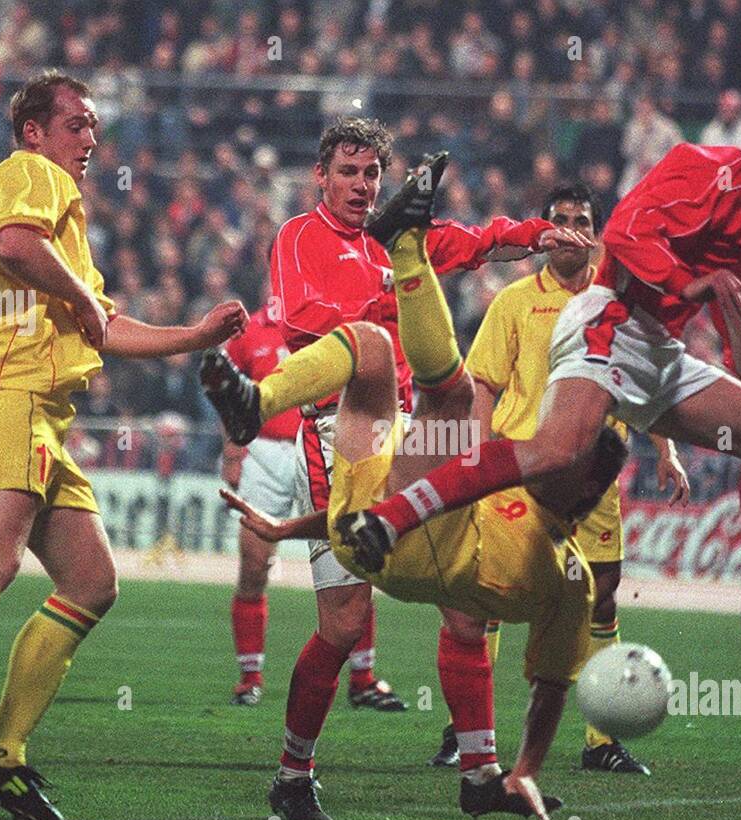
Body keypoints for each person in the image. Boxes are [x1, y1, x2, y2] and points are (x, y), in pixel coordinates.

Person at [335, 95, 741, 642]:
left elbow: (733, 298)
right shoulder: (706, 167)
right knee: (555, 452)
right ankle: (389, 519)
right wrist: (688, 286)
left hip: (660, 349)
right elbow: (626, 234)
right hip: (609, 321)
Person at [0, 71, 247, 820]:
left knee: (91, 580)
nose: (91, 140)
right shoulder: (30, 177)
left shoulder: (69, 225)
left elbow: (103, 327)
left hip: (42, 411)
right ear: (34, 130)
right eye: (78, 125)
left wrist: (195, 335)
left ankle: (4, 753)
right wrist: (82, 297)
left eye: (93, 128)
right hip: (3, 390)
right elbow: (12, 243)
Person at [199, 123, 592, 776]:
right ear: (321, 176)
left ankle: (479, 774)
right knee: (343, 625)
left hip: (413, 428)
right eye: (349, 172)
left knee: (466, 612)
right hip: (339, 428)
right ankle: (294, 774)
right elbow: (298, 320)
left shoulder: (397, 240)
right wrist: (384, 300)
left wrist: (537, 234)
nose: (360, 184)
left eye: (371, 174)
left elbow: (476, 242)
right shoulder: (298, 236)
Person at [448, 180, 686, 775]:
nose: (571, 230)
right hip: (523, 472)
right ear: (545, 229)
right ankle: (466, 732)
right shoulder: (512, 302)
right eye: (560, 219)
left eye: (583, 219)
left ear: (598, 234)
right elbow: (483, 383)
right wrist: (478, 451)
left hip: (594, 477)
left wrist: (667, 450)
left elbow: (649, 386)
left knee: (601, 598)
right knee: (492, 595)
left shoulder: (619, 306)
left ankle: (600, 740)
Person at [218, 301, 301, 706]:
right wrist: (233, 450)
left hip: (320, 445)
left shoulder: (333, 316)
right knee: (254, 564)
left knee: (348, 564)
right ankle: (250, 678)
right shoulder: (250, 330)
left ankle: (363, 678)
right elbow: (226, 391)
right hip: (263, 451)